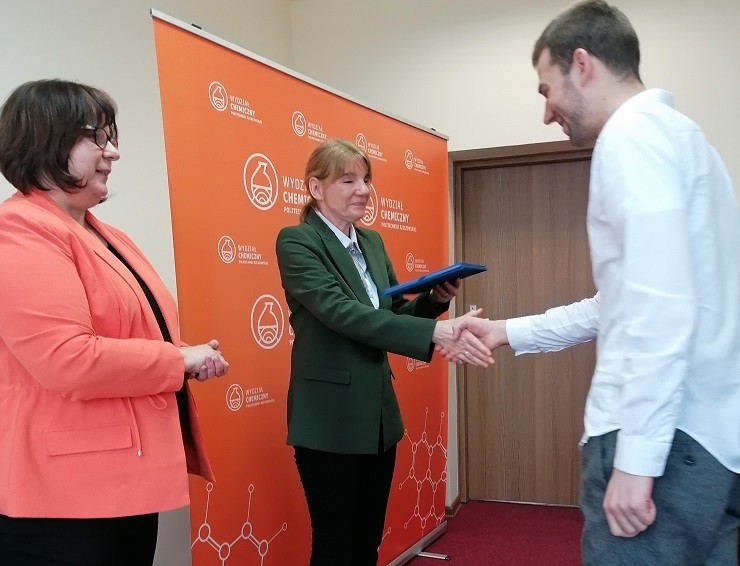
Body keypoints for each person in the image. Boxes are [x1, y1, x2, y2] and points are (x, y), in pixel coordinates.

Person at [445, 1, 740, 564]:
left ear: (581, 65)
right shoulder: (685, 140)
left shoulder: (631, 137)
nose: (546, 113)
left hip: (661, 445)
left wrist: (637, 459)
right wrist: (507, 331)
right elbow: (625, 303)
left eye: (545, 89)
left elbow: (657, 308)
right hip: (706, 447)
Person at [0, 79, 229, 565]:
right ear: (47, 141)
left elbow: (132, 334)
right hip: (65, 500)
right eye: (97, 138)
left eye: (110, 137)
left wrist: (184, 355)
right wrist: (177, 360)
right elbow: (67, 358)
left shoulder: (105, 234)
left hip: (122, 481)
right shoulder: (18, 229)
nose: (113, 153)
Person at [275, 139, 491, 566]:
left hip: (377, 419)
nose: (363, 190)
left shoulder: (371, 242)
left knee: (367, 542)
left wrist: (432, 301)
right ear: (316, 188)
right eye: (348, 180)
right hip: (329, 421)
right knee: (335, 546)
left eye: (366, 180)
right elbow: (343, 313)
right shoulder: (297, 242)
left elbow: (389, 315)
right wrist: (435, 333)